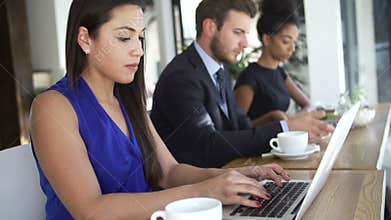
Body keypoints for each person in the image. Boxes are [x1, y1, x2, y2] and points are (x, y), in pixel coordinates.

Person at [30, 0, 292, 219]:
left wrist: (231, 176)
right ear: (85, 39)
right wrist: (205, 191)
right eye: (124, 37)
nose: (139, 50)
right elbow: (91, 211)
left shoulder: (128, 102)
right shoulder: (53, 107)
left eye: (141, 37)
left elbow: (169, 172)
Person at [151, 0, 333, 168]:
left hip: (227, 173)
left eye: (245, 34)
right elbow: (206, 145)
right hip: (194, 194)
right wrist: (284, 127)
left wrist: (291, 130)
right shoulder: (181, 77)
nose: (245, 43)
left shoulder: (219, 70)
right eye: (238, 32)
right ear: (210, 27)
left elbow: (242, 126)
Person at [234, 0, 315, 127]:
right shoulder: (250, 78)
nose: (292, 49)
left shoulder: (280, 73)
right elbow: (236, 128)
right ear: (267, 39)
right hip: (259, 146)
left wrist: (288, 121)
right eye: (286, 41)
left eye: (294, 42)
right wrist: (270, 118)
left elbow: (309, 105)